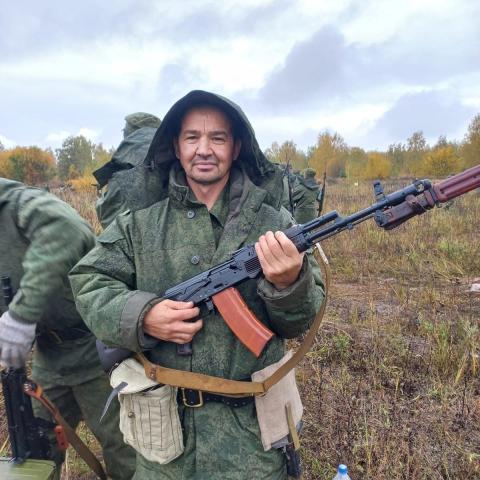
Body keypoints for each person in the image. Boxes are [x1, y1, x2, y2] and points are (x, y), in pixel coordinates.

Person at [70, 90, 324, 479]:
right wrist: (143, 316)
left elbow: (300, 322)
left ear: (236, 147)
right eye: (192, 137)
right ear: (176, 146)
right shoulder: (139, 223)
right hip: (164, 447)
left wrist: (291, 283)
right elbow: (88, 280)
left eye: (217, 138)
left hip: (253, 446)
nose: (204, 149)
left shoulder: (275, 224)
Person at [0, 178, 136, 480]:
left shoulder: (19, 203)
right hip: (49, 356)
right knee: (36, 449)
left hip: (97, 347)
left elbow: (67, 230)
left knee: (124, 448)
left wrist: (21, 315)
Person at [94, 112, 161, 228]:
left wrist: (100, 201)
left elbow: (110, 222)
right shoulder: (175, 161)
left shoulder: (124, 169)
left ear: (130, 133)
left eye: (125, 131)